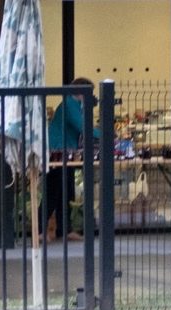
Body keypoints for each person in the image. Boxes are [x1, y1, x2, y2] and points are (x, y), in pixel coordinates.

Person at [43, 77, 97, 242]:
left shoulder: (75, 105)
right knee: (53, 190)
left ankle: (64, 230)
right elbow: (82, 126)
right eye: (90, 93)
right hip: (57, 152)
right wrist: (106, 134)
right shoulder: (69, 105)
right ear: (81, 92)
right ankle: (40, 230)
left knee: (65, 191)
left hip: (66, 152)